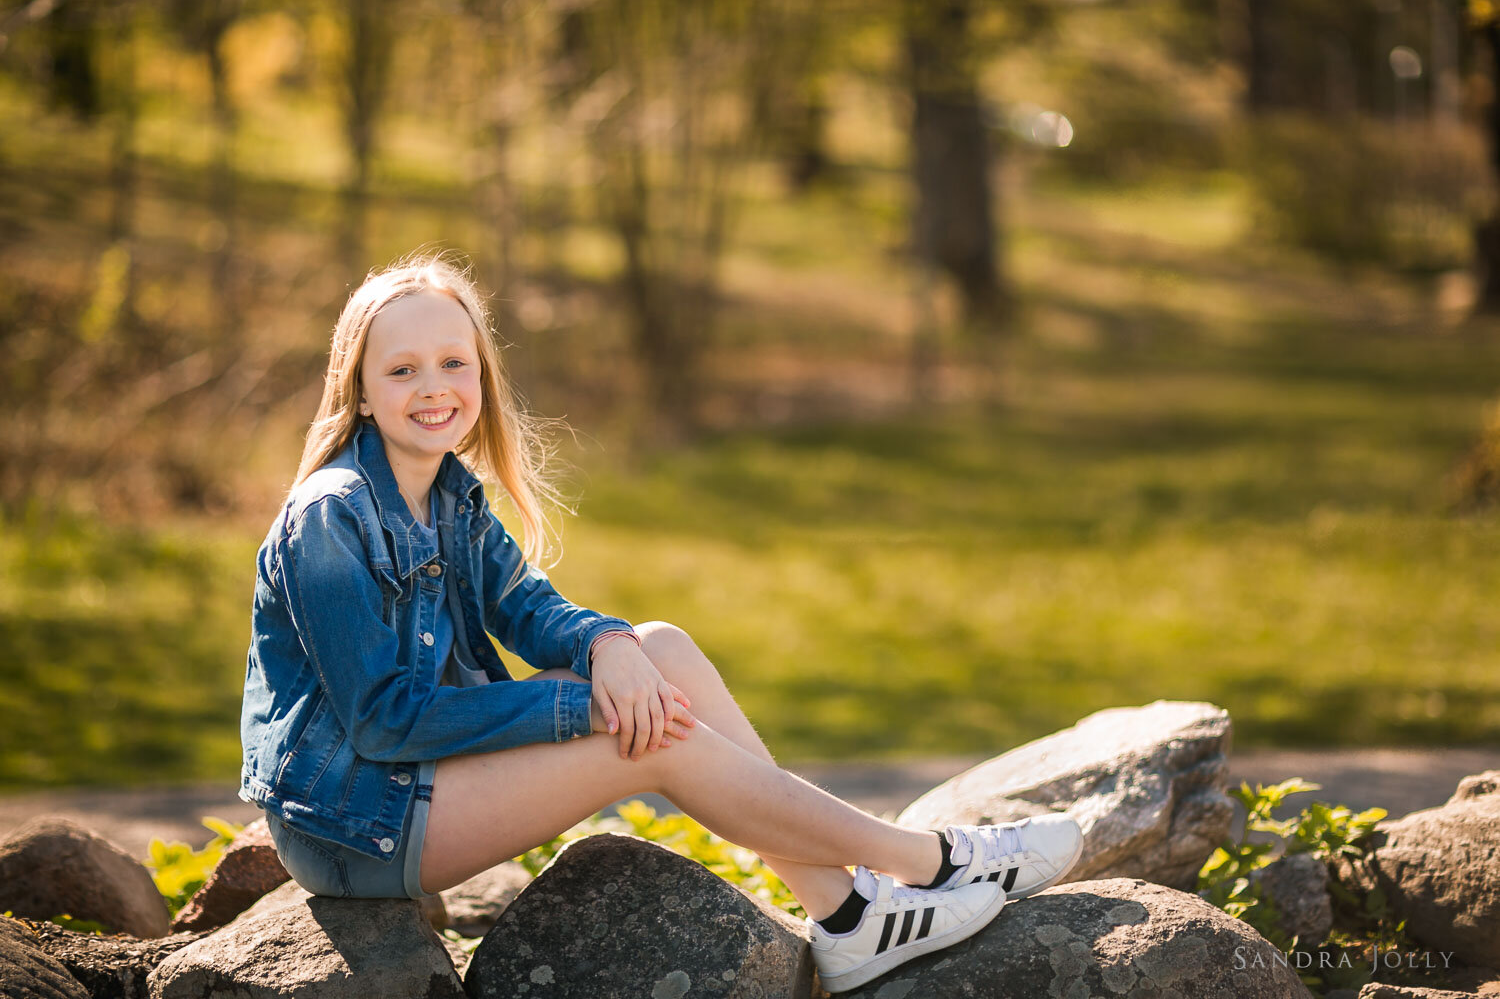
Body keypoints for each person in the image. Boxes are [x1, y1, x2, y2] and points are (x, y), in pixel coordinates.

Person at [237, 250, 1084, 993]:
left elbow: (529, 610)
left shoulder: (448, 495)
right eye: (403, 370)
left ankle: (847, 916)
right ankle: (928, 861)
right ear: (359, 386)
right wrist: (588, 706)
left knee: (660, 651)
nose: (434, 389)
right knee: (648, 730)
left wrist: (608, 646)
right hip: (353, 825)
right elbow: (387, 719)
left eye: (453, 362)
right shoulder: (332, 519)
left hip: (412, 791)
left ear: (482, 375)